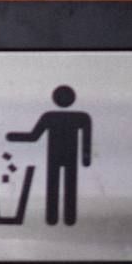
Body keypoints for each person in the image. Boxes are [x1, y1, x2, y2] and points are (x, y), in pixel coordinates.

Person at [6, 85, 92, 227]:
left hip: (56, 156)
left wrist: (12, 136)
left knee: (55, 185)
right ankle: (66, 218)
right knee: (67, 186)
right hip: (68, 157)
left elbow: (33, 136)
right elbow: (86, 138)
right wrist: (85, 158)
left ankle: (54, 218)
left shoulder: (51, 116)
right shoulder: (81, 117)